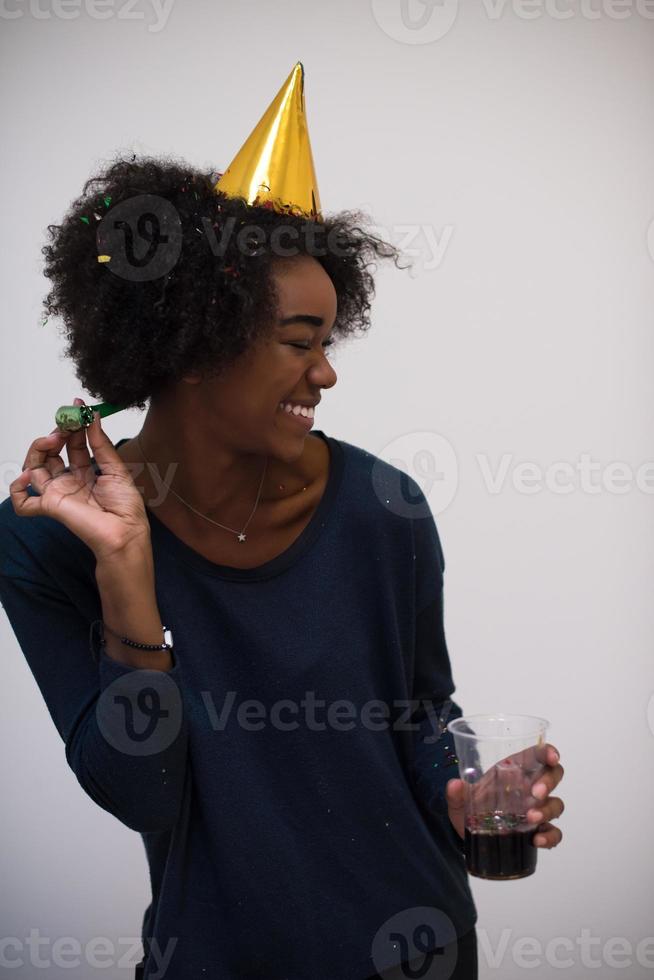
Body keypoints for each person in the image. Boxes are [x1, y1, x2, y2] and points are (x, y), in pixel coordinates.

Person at [0, 68, 564, 980]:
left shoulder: (385, 509)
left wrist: (460, 794)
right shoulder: (43, 536)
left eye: (329, 343)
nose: (327, 374)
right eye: (300, 343)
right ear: (192, 344)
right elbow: (140, 794)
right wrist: (127, 575)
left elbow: (421, 714)